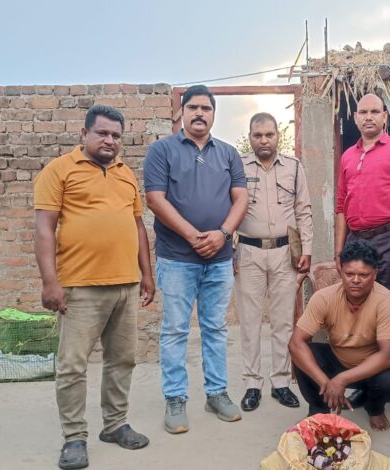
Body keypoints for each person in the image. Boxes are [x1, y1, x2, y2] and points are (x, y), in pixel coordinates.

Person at [34, 105, 154, 469]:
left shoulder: (126, 174)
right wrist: (50, 282)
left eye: (116, 135)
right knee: (72, 366)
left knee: (123, 359)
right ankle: (74, 437)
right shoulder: (59, 170)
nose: (109, 141)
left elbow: (137, 227)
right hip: (79, 287)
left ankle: (115, 425)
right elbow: (44, 228)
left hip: (125, 285)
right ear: (84, 134)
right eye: (102, 133)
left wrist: (147, 275)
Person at [144, 84, 247, 434]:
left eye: (206, 108)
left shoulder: (229, 154)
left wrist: (222, 234)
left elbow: (241, 199)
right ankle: (175, 398)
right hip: (177, 259)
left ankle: (216, 393)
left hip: (219, 258)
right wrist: (192, 236)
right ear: (182, 112)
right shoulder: (162, 150)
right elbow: (155, 199)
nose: (200, 113)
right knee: (175, 329)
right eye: (193, 107)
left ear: (214, 114)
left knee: (215, 328)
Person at [334, 93, 390, 424]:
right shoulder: (348, 156)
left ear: (385, 116)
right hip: (357, 242)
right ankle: (370, 385)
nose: (369, 117)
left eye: (375, 111)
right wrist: (340, 250)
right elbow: (341, 206)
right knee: (361, 316)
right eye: (363, 112)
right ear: (355, 117)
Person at [235, 113, 312, 411]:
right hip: (248, 252)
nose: (264, 140)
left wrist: (306, 250)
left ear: (278, 135)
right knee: (250, 322)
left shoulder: (294, 167)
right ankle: (252, 384)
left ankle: (280, 383)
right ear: (250, 137)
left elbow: (303, 210)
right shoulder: (237, 166)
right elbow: (227, 207)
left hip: (284, 253)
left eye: (269, 134)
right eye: (258, 135)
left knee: (283, 322)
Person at [289, 240, 390, 431]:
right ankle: (319, 410)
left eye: (363, 275)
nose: (355, 280)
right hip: (337, 359)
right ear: (341, 271)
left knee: (389, 381)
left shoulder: (387, 301)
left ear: (375, 273)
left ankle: (375, 408)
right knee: (302, 353)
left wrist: (341, 380)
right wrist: (326, 383)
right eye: (349, 274)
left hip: (369, 368)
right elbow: (296, 343)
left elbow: (387, 356)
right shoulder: (324, 297)